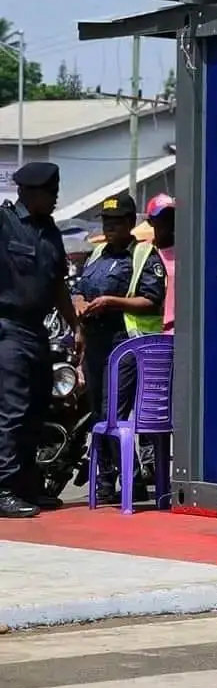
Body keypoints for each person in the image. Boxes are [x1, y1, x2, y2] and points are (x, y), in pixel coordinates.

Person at [73, 192, 166, 505]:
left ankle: (131, 478)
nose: (110, 227)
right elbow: (78, 290)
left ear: (129, 223)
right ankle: (109, 476)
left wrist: (112, 302)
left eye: (116, 222)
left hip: (124, 341)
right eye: (106, 221)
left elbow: (151, 298)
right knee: (98, 412)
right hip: (95, 340)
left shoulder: (141, 256)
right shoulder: (97, 254)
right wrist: (80, 308)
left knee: (114, 410)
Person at [0, 162, 82, 517]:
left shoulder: (50, 231)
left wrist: (75, 325)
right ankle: (3, 488)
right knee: (13, 410)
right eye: (50, 193)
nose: (55, 198)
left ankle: (27, 486)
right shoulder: (4, 225)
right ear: (28, 192)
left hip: (37, 331)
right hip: (7, 328)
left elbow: (57, 284)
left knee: (36, 407)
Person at [146, 195, 176, 334]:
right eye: (162, 217)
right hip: (151, 331)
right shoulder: (143, 253)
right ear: (151, 221)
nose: (168, 222)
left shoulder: (189, 252)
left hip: (178, 330)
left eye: (171, 216)